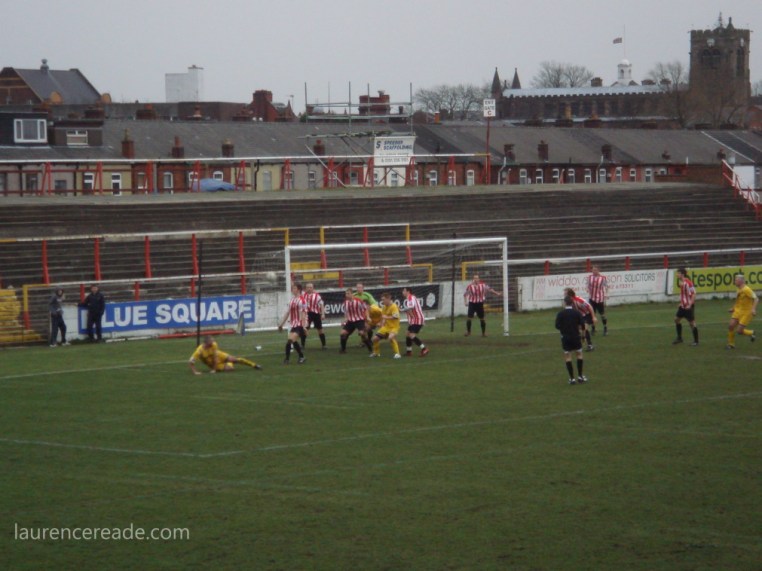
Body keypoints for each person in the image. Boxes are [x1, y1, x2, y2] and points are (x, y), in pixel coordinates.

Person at [189, 335, 261, 375]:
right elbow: (191, 362)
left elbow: (215, 357)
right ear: (206, 343)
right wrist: (195, 372)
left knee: (235, 359)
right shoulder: (199, 351)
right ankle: (229, 363)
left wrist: (214, 370)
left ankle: (254, 365)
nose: (213, 342)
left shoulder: (214, 344)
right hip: (211, 363)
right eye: (211, 341)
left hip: (219, 355)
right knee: (230, 369)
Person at [555, 295, 588, 384]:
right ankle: (580, 376)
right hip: (576, 336)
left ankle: (572, 379)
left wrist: (564, 329)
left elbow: (557, 326)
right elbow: (583, 325)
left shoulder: (560, 313)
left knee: (568, 356)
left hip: (565, 337)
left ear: (565, 303)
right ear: (572, 303)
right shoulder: (577, 313)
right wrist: (583, 336)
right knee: (579, 354)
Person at [726, 274, 758, 350]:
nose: (734, 281)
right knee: (731, 326)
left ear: (741, 281)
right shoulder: (738, 289)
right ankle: (731, 344)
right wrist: (733, 308)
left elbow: (756, 299)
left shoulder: (747, 289)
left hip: (746, 313)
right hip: (737, 311)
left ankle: (751, 333)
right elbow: (738, 301)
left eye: (736, 280)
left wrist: (753, 309)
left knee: (739, 331)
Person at [278, 282, 307, 364]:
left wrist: (304, 326)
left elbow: (303, 314)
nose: (292, 290)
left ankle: (300, 357)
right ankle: (289, 359)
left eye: (294, 288)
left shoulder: (302, 300)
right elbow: (287, 313)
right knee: (289, 341)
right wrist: (281, 324)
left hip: (300, 324)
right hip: (293, 324)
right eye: (292, 288)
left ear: (299, 289)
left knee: (292, 339)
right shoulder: (292, 300)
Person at [339, 288, 373, 354]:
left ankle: (370, 349)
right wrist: (344, 320)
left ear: (352, 294)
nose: (346, 295)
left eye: (348, 293)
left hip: (359, 320)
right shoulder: (345, 303)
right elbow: (346, 313)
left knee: (362, 333)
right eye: (346, 294)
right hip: (350, 321)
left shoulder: (358, 301)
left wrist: (368, 317)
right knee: (342, 333)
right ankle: (343, 350)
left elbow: (365, 309)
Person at [370, 292, 402, 359]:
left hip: (394, 327)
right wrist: (381, 324)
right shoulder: (384, 307)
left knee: (391, 337)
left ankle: (397, 354)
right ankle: (376, 353)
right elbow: (383, 317)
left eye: (383, 299)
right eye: (382, 299)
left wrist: (386, 317)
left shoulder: (394, 306)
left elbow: (395, 317)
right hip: (386, 327)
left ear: (388, 299)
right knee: (375, 339)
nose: (382, 301)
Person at [673, 267, 699, 346]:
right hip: (683, 306)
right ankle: (679, 338)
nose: (677, 274)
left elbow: (693, 294)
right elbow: (684, 295)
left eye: (678, 273)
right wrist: (681, 303)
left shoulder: (688, 283)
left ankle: (696, 341)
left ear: (682, 274)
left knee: (692, 323)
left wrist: (690, 304)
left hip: (688, 307)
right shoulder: (681, 282)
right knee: (676, 320)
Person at [401, 286, 429, 357]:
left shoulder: (411, 297)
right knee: (407, 334)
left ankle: (424, 349)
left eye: (404, 291)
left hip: (417, 319)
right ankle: (409, 351)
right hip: (414, 319)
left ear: (408, 292)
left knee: (411, 335)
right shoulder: (409, 299)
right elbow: (409, 309)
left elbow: (411, 307)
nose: (402, 292)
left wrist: (403, 310)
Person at [302, 282, 327, 350]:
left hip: (316, 314)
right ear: (305, 288)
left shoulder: (317, 295)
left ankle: (324, 345)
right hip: (307, 314)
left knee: (320, 329)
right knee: (305, 329)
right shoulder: (303, 295)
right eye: (308, 287)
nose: (309, 289)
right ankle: (302, 345)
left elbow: (321, 304)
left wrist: (323, 314)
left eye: (310, 287)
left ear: (313, 288)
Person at [587, 266, 609, 336]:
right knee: (592, 314)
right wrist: (588, 289)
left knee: (602, 314)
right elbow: (588, 285)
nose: (594, 271)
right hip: (592, 298)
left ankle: (605, 328)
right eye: (593, 270)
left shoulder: (603, 278)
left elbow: (606, 286)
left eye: (596, 270)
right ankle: (593, 328)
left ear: (599, 270)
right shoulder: (589, 277)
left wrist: (606, 294)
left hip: (600, 299)